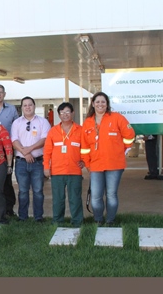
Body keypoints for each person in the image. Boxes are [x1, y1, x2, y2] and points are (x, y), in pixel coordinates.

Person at [81, 91, 135, 226]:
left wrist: (122, 150)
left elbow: (130, 135)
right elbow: (84, 147)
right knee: (96, 196)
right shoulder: (87, 122)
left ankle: (110, 220)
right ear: (93, 104)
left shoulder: (117, 118)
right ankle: (98, 220)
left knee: (111, 195)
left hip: (114, 165)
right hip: (95, 165)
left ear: (107, 104)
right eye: (97, 102)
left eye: (103, 102)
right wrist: (87, 164)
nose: (100, 104)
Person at [43, 102, 84, 227]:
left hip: (74, 170)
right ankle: (57, 221)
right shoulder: (53, 131)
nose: (65, 115)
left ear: (72, 113)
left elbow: (86, 148)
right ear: (59, 115)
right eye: (62, 113)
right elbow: (47, 151)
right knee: (58, 199)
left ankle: (77, 221)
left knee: (75, 198)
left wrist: (84, 161)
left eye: (67, 112)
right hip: (57, 171)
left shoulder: (80, 130)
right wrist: (46, 167)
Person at [11, 96, 51, 222]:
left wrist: (30, 149)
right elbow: (14, 140)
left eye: (30, 105)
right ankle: (22, 217)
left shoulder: (43, 122)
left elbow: (45, 139)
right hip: (21, 162)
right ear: (22, 107)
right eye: (25, 105)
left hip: (38, 162)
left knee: (38, 191)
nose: (28, 107)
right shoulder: (16, 122)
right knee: (23, 191)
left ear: (34, 106)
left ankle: (38, 217)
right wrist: (24, 151)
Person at [0, 84, 19, 217]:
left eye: (1, 92)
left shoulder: (12, 109)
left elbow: (17, 128)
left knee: (7, 179)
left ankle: (9, 207)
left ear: (4, 94)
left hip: (7, 150)